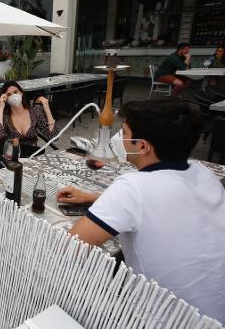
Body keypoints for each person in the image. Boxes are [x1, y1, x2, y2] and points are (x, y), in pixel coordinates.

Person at [56, 99, 225, 322]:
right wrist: (94, 197)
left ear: (143, 146)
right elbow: (163, 201)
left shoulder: (131, 187)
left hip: (164, 317)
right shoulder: (204, 172)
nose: (120, 137)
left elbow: (70, 248)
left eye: (124, 132)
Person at [0, 81, 58, 157]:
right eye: (9, 95)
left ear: (21, 93)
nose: (13, 96)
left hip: (33, 157)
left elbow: (53, 137)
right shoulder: (5, 117)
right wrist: (1, 108)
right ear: (5, 99)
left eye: (16, 92)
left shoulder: (34, 112)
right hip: (14, 159)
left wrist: (47, 109)